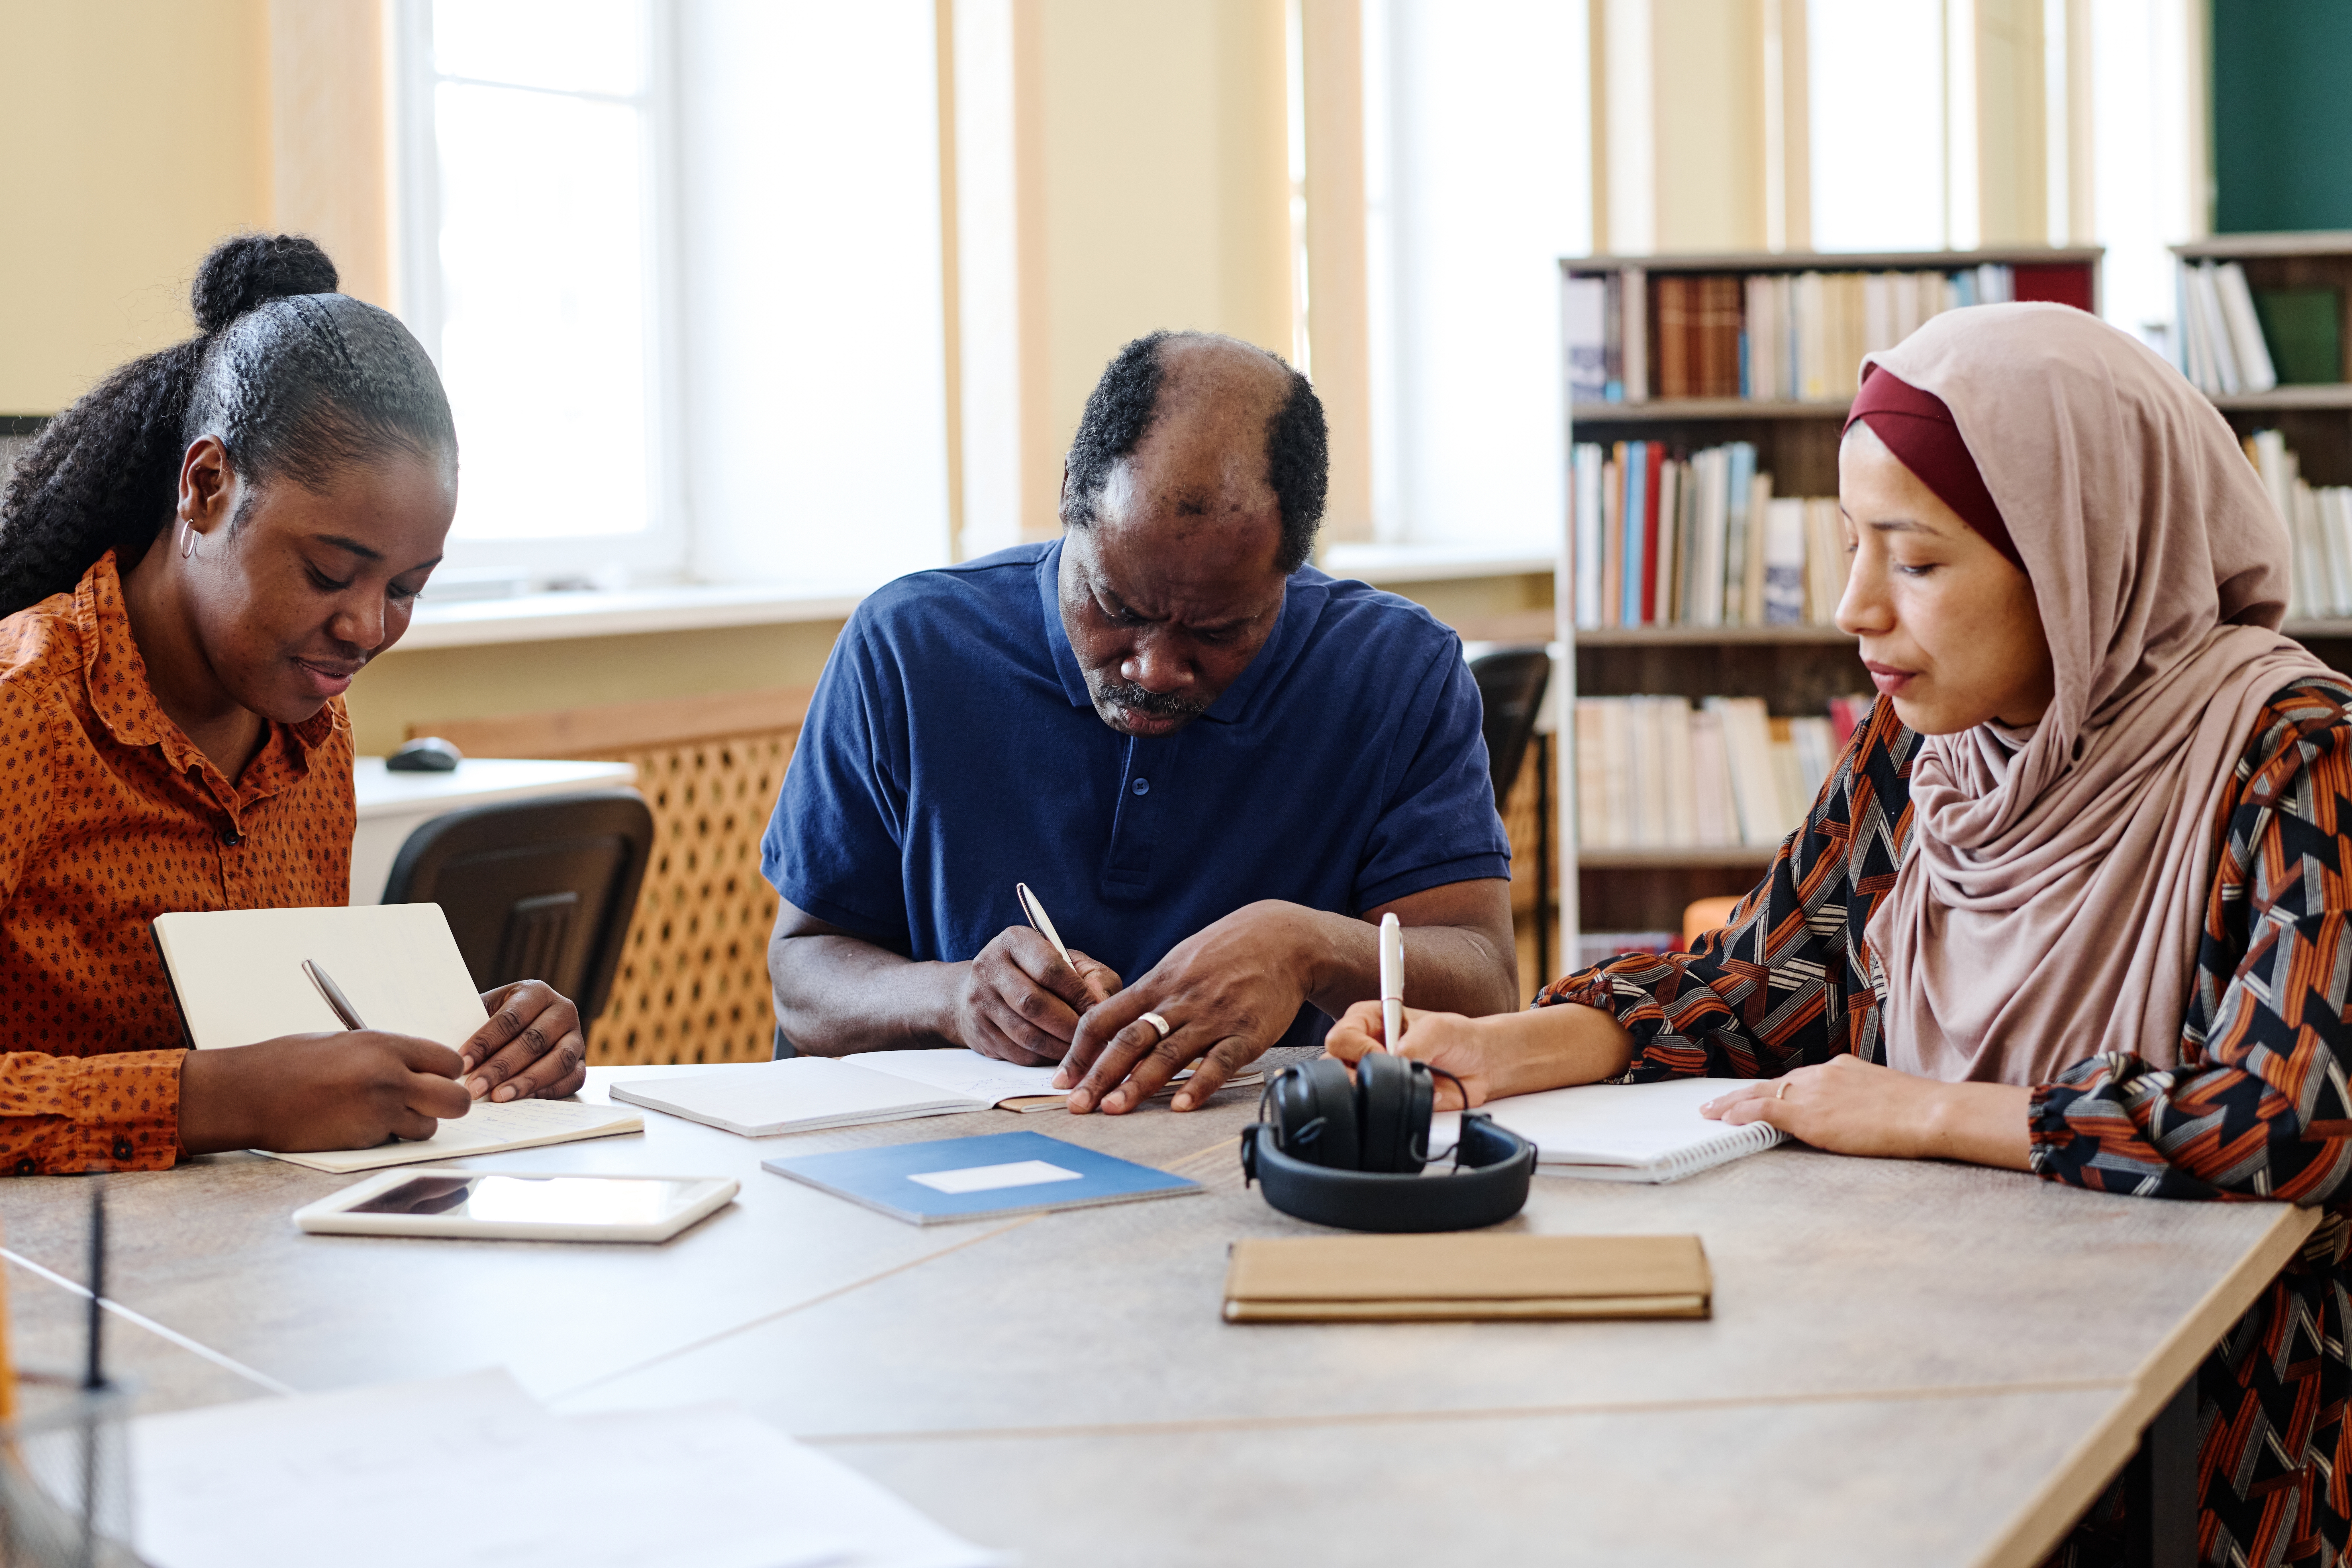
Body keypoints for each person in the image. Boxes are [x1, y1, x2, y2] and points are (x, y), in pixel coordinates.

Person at [1327, 302, 2352, 1562]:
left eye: (1915, 560)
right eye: (1853, 544)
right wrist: (1505, 1047)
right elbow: (1776, 976)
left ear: (2082, 553)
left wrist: (1927, 1109)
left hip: (2208, 1431)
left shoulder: (2296, 750)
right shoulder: (1925, 744)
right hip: (1927, 1349)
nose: (1854, 606)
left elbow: (2297, 1117)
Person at [764, 330, 1517, 1113]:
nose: (1153, 669)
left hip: (1268, 1164)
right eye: (1116, 607)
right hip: (954, 1160)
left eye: (1219, 632)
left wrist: (1307, 948)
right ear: (1069, 498)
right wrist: (952, 999)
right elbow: (804, 973)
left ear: (1289, 569)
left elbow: (1486, 982)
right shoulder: (909, 647)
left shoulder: (1396, 672)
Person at [0, 234, 589, 1175]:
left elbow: (278, 1029)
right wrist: (215, 1099)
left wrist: (456, 1043)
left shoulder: (310, 723)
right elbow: (248, 1089)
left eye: (407, 589)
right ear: (205, 488)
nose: (365, 628)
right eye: (328, 574)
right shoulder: (26, 711)